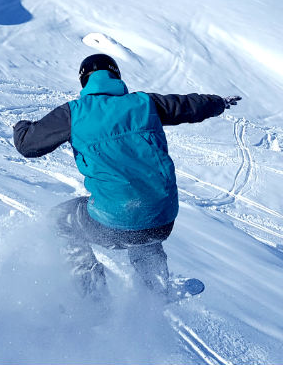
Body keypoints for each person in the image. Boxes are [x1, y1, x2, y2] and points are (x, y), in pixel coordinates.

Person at [12, 53, 239, 298]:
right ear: (116, 76)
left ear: (84, 81)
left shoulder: (74, 113)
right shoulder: (144, 103)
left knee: (59, 221)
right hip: (163, 219)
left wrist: (20, 126)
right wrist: (218, 102)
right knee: (146, 229)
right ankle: (157, 287)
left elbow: (27, 146)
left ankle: (93, 294)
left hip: (113, 222)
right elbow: (187, 106)